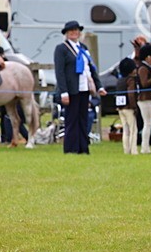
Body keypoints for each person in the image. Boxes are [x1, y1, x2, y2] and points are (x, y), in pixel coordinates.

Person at [53, 20, 106, 154]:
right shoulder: (62, 49)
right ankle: (71, 148)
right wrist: (64, 92)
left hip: (84, 88)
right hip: (71, 90)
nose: (74, 33)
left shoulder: (83, 48)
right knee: (72, 120)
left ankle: (83, 147)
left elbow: (91, 68)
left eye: (76, 30)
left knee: (83, 119)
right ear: (66, 33)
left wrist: (98, 86)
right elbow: (60, 72)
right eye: (71, 31)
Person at [136, 44, 151, 154]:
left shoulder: (147, 67)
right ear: (148, 57)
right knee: (148, 123)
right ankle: (144, 147)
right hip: (144, 99)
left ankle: (146, 146)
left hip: (149, 98)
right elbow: (144, 84)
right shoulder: (143, 68)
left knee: (148, 123)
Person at [114, 57, 139, 154]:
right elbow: (131, 94)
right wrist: (134, 107)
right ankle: (134, 150)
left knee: (126, 129)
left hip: (120, 108)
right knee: (133, 129)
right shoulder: (131, 80)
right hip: (128, 107)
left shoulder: (120, 80)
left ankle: (126, 150)